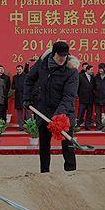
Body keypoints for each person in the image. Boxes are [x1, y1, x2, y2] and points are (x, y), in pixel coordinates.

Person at [22, 41, 79, 173]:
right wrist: (27, 98)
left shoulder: (71, 70)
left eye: (65, 56)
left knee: (68, 146)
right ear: (54, 54)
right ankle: (44, 174)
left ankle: (71, 173)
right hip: (43, 111)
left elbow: (69, 96)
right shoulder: (42, 64)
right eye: (60, 56)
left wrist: (58, 116)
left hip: (64, 113)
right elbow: (29, 79)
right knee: (44, 145)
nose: (62, 59)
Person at [77, 63, 95, 130]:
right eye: (91, 70)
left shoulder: (93, 77)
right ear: (87, 70)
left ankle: (87, 126)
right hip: (83, 98)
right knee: (80, 113)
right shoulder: (80, 76)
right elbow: (77, 87)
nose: (92, 71)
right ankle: (77, 125)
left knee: (89, 113)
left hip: (90, 98)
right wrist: (79, 94)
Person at [12, 64, 29, 130]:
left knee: (27, 112)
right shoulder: (14, 77)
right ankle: (21, 126)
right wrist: (15, 87)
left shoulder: (26, 76)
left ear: (22, 70)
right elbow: (12, 86)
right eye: (18, 69)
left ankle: (29, 126)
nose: (19, 70)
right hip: (18, 97)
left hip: (25, 96)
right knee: (19, 112)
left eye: (20, 69)